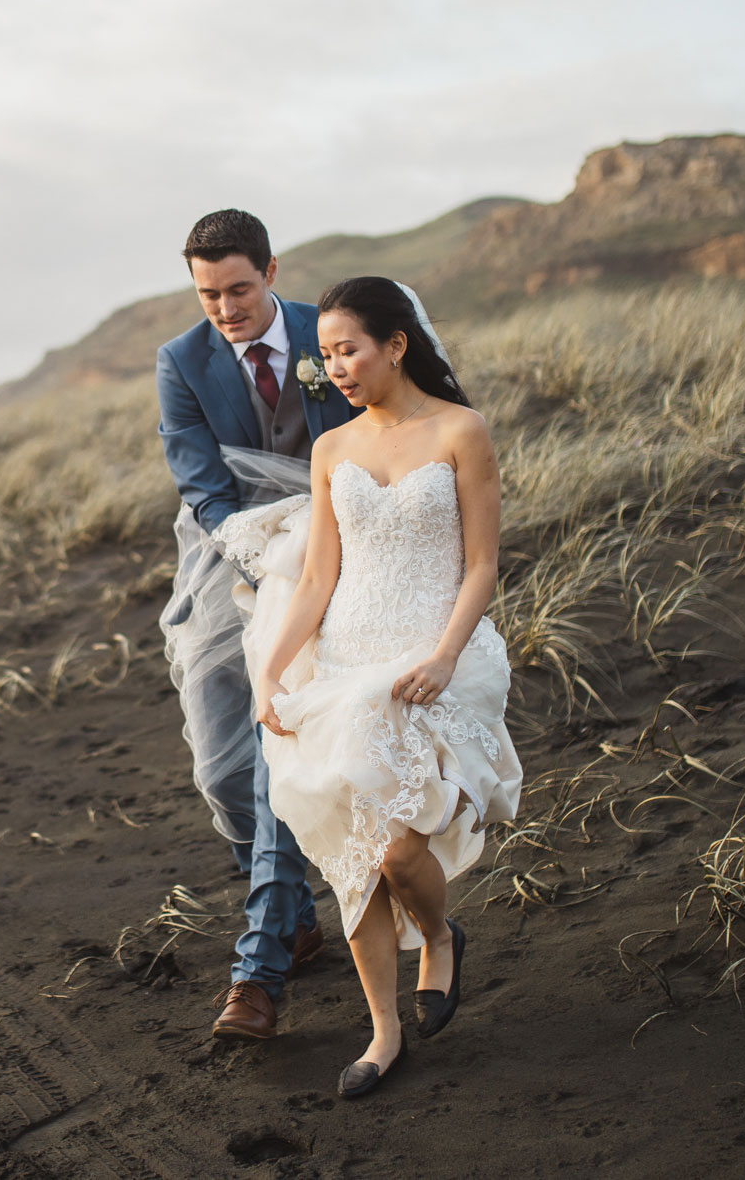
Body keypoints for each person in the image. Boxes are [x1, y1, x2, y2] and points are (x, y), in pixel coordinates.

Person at [221, 275, 522, 1098]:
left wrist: (446, 656)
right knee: (355, 856)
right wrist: (274, 667)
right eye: (325, 355)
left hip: (431, 658)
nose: (336, 367)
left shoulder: (462, 430)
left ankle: (438, 934)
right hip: (346, 662)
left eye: (348, 349)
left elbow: (484, 563)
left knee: (397, 846)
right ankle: (383, 1030)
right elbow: (320, 574)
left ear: (397, 342)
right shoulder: (332, 449)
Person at [155, 209, 357, 1041]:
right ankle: (294, 914)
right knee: (219, 769)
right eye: (209, 295)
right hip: (228, 561)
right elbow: (201, 484)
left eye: (239, 288)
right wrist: (258, 552)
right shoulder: (181, 362)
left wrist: (316, 560)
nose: (226, 309)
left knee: (279, 760)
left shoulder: (327, 333)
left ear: (271, 271)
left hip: (341, 559)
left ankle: (258, 968)